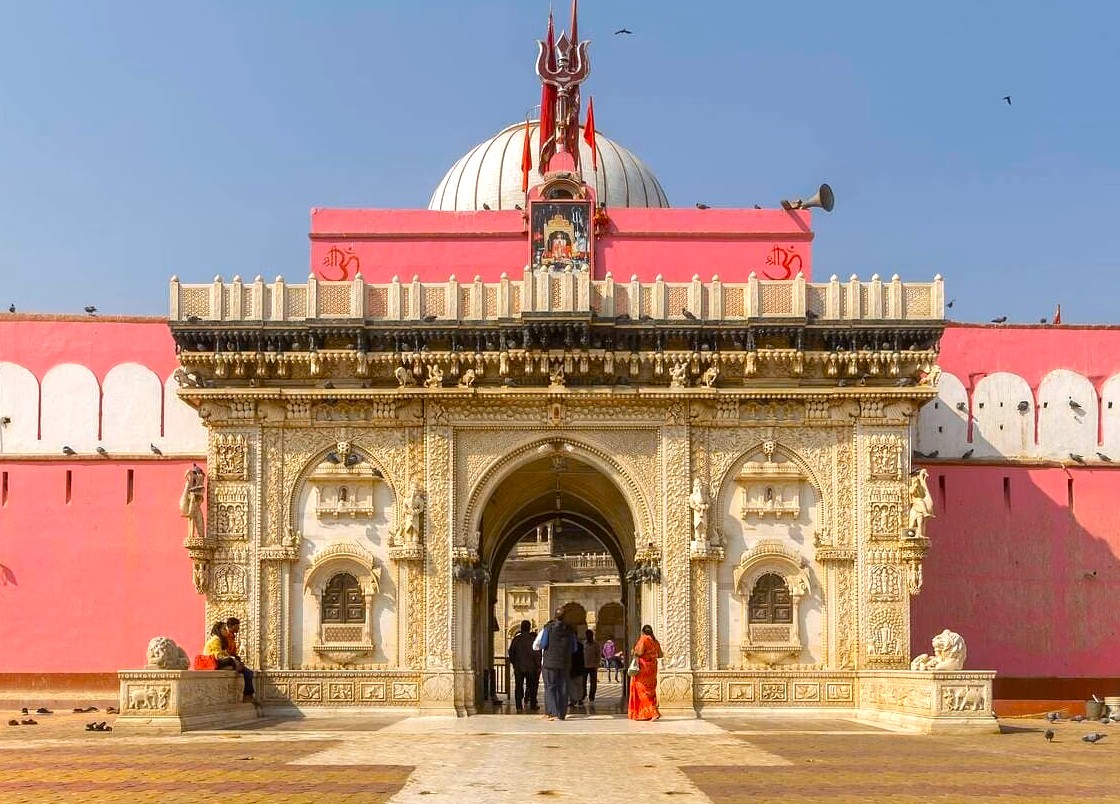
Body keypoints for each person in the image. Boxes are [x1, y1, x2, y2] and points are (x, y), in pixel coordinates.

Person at [535, 608, 576, 721]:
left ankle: (552, 712)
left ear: (555, 616)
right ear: (565, 617)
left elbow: (543, 644)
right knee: (563, 687)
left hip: (550, 663)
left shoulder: (549, 628)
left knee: (550, 687)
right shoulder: (570, 630)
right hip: (565, 662)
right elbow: (574, 648)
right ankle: (561, 714)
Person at [212, 618, 255, 703]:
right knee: (248, 673)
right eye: (237, 627)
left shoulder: (231, 637)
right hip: (221, 661)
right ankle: (247, 695)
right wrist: (235, 661)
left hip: (228, 659)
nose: (238, 629)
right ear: (231, 627)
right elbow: (220, 654)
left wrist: (237, 660)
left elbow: (231, 653)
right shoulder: (221, 639)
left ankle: (248, 695)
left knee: (247, 671)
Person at [627, 624, 663, 721]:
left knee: (641, 689)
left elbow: (639, 653)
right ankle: (645, 714)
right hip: (653, 669)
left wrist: (633, 651)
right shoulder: (655, 641)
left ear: (643, 632)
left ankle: (653, 712)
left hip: (644, 668)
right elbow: (660, 655)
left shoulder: (644, 640)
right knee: (650, 691)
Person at [507, 620, 540, 713]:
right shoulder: (533, 639)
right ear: (529, 628)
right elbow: (537, 653)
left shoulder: (516, 639)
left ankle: (518, 706)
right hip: (531, 667)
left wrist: (514, 663)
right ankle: (533, 705)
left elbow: (511, 652)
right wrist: (537, 665)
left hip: (519, 667)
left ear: (521, 627)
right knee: (532, 686)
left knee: (519, 686)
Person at [582, 630, 601, 709]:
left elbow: (598, 654)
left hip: (593, 666)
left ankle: (592, 696)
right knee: (583, 682)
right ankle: (583, 694)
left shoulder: (596, 645)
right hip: (585, 666)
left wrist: (597, 664)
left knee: (593, 682)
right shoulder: (583, 644)